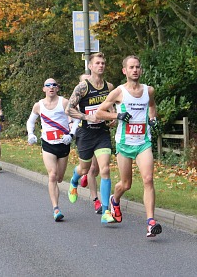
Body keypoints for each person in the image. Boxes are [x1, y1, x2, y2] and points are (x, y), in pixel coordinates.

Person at [96, 55, 162, 237]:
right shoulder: (118, 92)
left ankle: (150, 222)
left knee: (148, 179)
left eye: (138, 67)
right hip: (124, 144)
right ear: (124, 71)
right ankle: (114, 200)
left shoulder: (149, 90)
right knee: (126, 184)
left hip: (143, 143)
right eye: (131, 67)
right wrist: (117, 116)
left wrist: (153, 119)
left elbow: (152, 106)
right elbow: (100, 112)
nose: (135, 70)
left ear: (141, 70)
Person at [65, 52, 116, 224]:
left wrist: (112, 119)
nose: (101, 65)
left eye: (103, 63)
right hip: (86, 133)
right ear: (91, 66)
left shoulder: (109, 87)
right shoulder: (82, 87)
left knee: (105, 170)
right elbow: (68, 109)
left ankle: (105, 211)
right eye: (97, 63)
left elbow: (112, 109)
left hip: (102, 133)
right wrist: (88, 117)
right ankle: (73, 181)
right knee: (84, 169)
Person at [27, 78, 76, 221]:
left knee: (60, 178)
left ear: (57, 88)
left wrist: (71, 134)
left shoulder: (64, 102)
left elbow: (77, 118)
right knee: (52, 175)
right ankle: (56, 209)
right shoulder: (38, 105)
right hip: (48, 143)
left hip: (63, 143)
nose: (51, 87)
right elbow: (30, 121)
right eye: (48, 85)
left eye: (54, 85)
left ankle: (74, 178)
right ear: (44, 89)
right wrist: (31, 134)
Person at [75, 74, 102, 214]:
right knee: (90, 169)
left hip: (99, 134)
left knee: (96, 170)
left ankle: (85, 175)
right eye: (84, 80)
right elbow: (70, 115)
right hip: (84, 135)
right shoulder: (77, 98)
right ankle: (95, 200)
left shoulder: (97, 94)